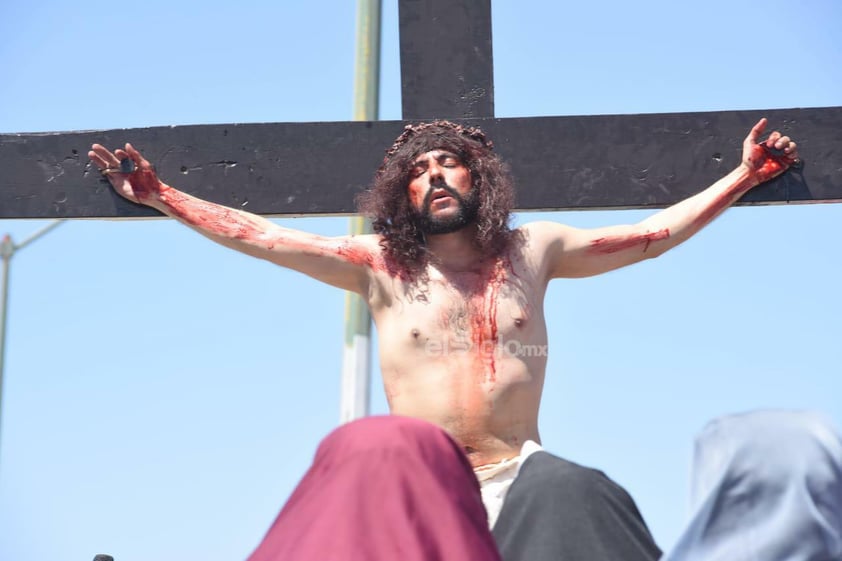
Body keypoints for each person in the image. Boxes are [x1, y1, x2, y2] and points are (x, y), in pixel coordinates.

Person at [89, 118, 801, 560]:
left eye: (448, 165)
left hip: (520, 479)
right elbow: (265, 235)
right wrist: (162, 195)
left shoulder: (535, 248)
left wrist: (741, 177)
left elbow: (651, 235)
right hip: (422, 483)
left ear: (478, 179)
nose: (434, 178)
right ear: (402, 193)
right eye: (419, 172)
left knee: (573, 490)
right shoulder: (381, 266)